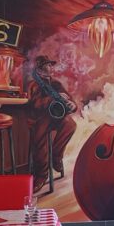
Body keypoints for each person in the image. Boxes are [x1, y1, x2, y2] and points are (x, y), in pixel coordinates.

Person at [27, 55, 78, 193]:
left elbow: (70, 99)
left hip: (55, 117)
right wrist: (52, 99)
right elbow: (36, 104)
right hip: (40, 119)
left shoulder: (56, 84)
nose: (51, 67)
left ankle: (56, 156)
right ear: (39, 69)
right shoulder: (33, 85)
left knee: (70, 124)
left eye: (51, 65)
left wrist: (72, 104)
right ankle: (41, 175)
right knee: (40, 135)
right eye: (48, 65)